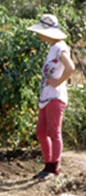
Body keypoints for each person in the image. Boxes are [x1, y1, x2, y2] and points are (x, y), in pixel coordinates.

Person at [27, 14, 75, 179]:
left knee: (54, 132)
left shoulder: (60, 47)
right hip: (47, 97)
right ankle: (48, 165)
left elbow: (70, 67)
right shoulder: (53, 47)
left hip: (55, 96)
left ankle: (53, 168)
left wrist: (58, 82)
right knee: (41, 131)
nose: (39, 34)